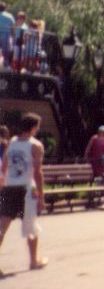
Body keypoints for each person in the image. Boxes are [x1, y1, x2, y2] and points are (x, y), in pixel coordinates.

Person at [0, 112, 47, 272]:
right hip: (28, 188)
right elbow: (38, 172)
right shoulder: (36, 145)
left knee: (2, 225)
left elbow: (4, 166)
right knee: (31, 225)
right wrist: (41, 196)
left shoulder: (12, 142)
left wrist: (2, 185)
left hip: (10, 186)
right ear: (33, 128)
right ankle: (34, 261)